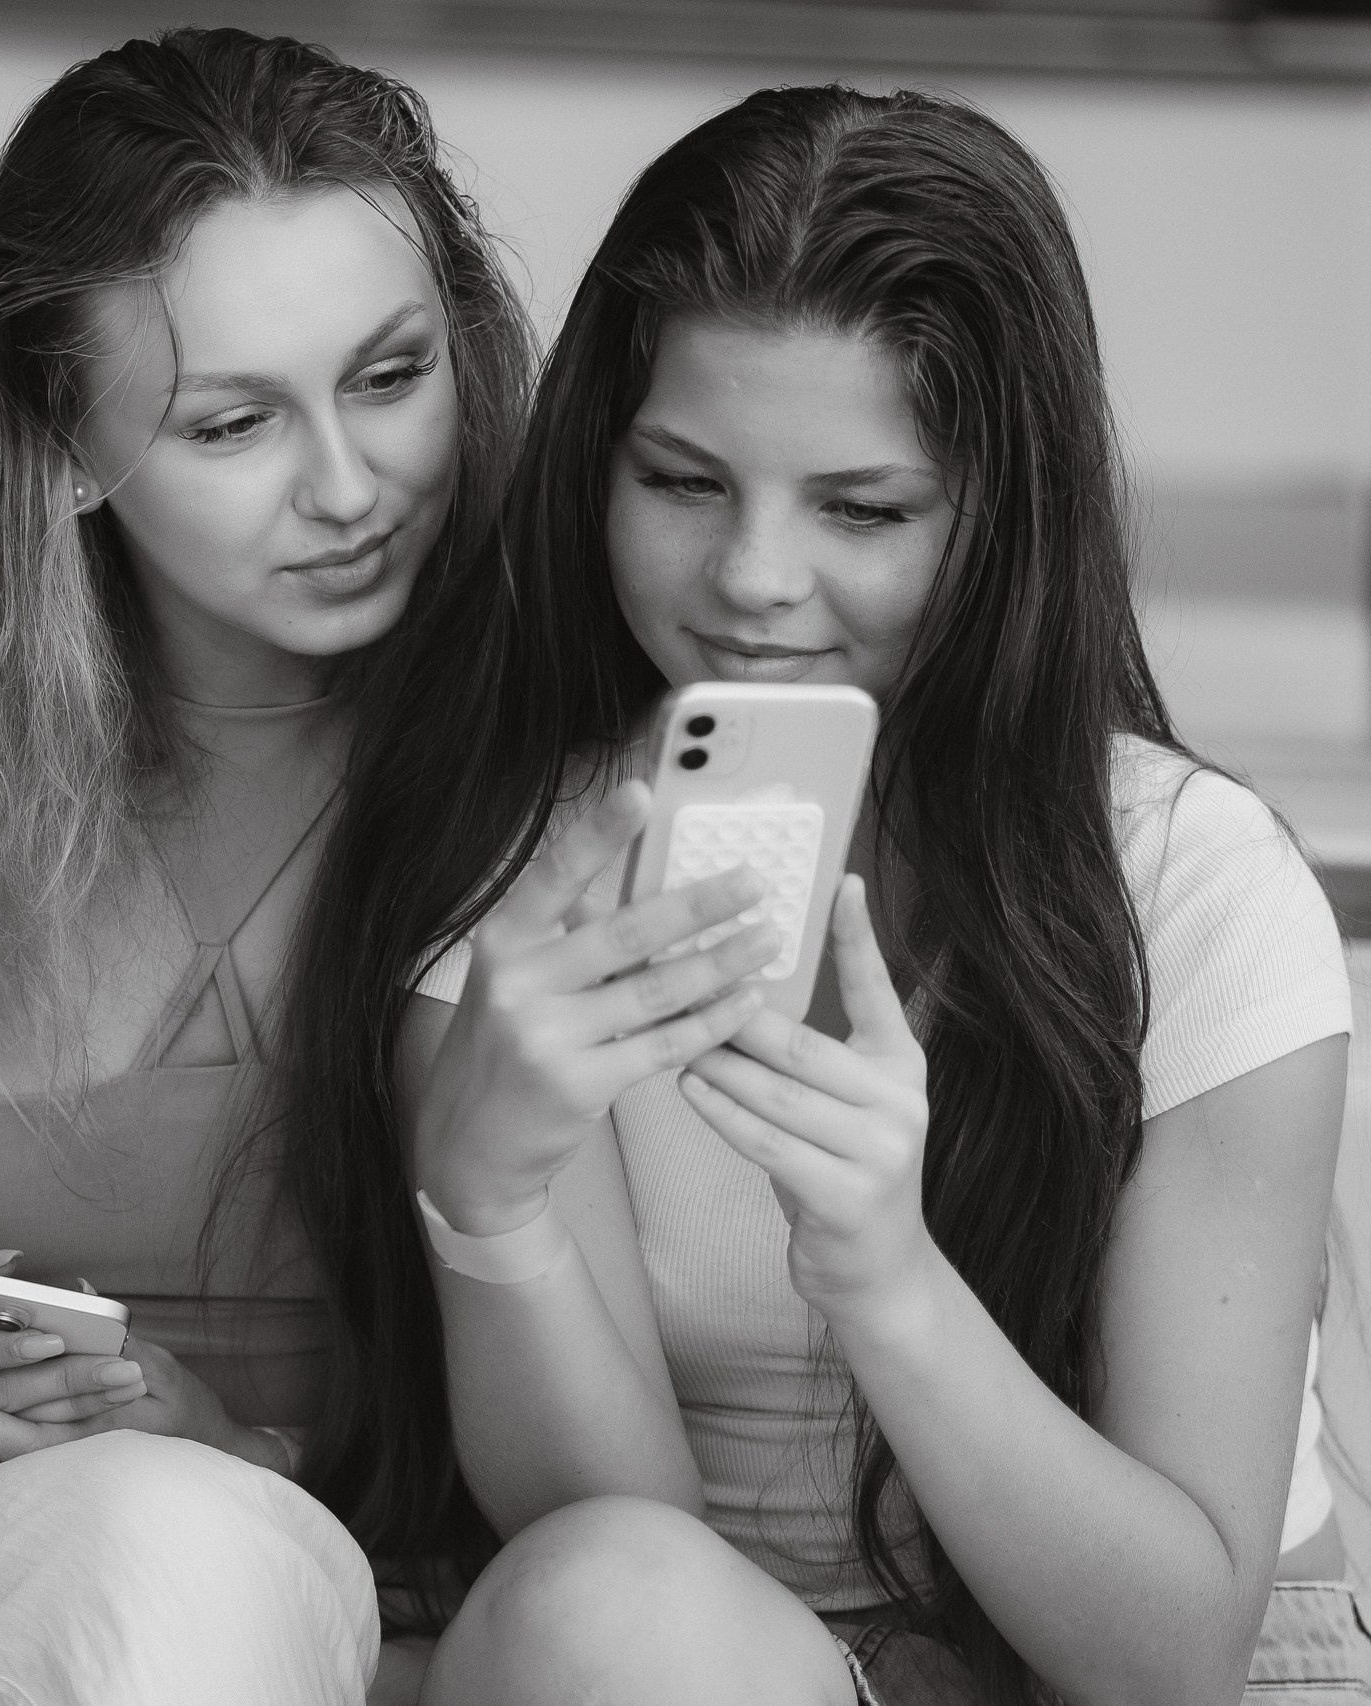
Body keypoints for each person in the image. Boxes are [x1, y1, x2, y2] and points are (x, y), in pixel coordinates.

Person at [398, 86, 1364, 1704]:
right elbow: (610, 1582)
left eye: (861, 508)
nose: (753, 578)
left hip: (1151, 1664)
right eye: (683, 480)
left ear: (1003, 520)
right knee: (593, 1607)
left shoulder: (1195, 881)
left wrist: (883, 1272)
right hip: (721, 1655)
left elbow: (1174, 1654)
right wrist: (488, 1202)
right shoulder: (523, 871)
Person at [0, 27, 538, 1704]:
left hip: (407, 1597)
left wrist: (233, 1454)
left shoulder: (549, 731)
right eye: (234, 424)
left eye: (389, 377)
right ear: (60, 443)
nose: (351, 489)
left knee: (180, 1547)